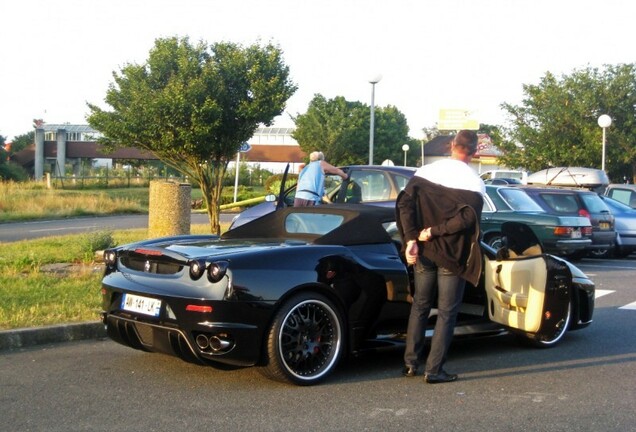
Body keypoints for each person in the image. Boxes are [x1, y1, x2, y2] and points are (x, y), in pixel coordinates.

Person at [395, 130, 485, 384]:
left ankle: (411, 364)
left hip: (424, 252)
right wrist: (436, 232)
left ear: (452, 145)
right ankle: (434, 370)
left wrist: (412, 238)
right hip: (452, 255)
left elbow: (405, 204)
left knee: (420, 306)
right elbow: (467, 219)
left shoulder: (426, 172)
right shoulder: (474, 183)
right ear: (475, 152)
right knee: (446, 312)